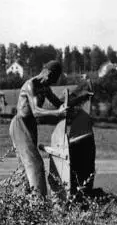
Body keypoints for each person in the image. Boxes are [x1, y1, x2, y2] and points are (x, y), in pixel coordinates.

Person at [9, 60, 72, 198]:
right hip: (20, 125)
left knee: (25, 167)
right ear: (48, 74)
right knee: (35, 163)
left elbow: (58, 103)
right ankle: (39, 202)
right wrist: (58, 113)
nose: (51, 84)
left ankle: (19, 200)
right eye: (52, 80)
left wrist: (74, 101)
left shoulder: (45, 87)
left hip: (31, 126)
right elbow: (36, 111)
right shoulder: (30, 85)